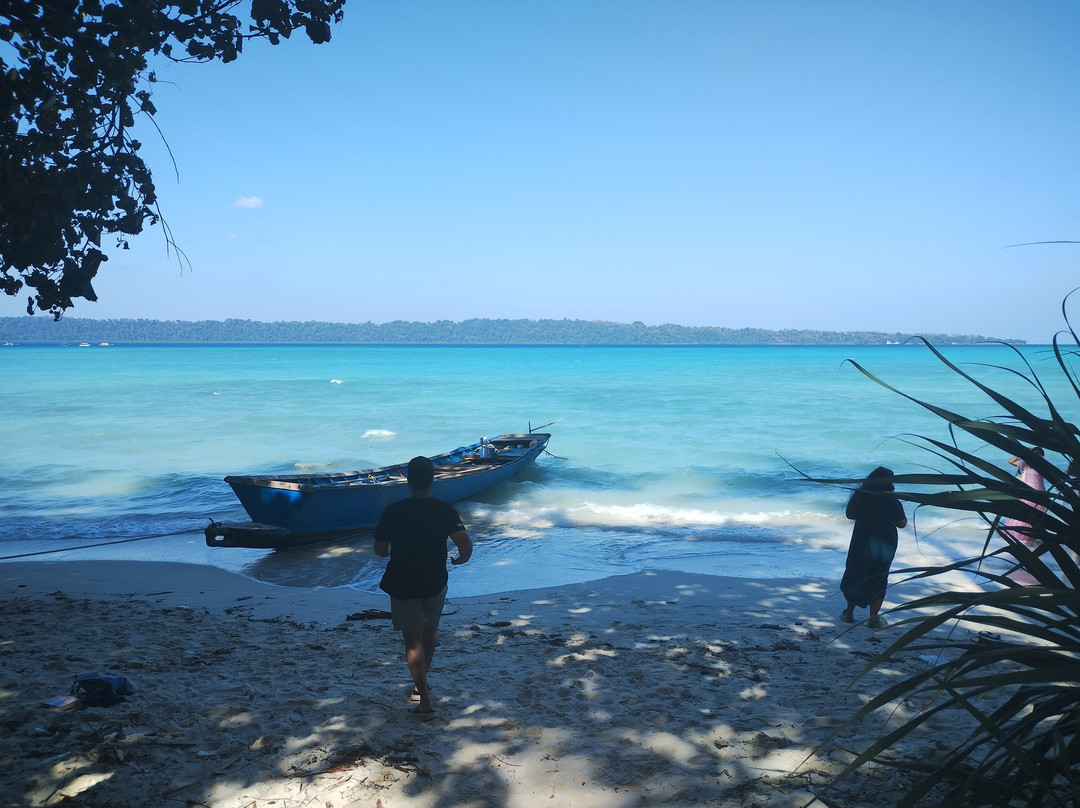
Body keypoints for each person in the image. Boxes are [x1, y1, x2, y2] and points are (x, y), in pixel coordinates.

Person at [374, 456, 473, 716]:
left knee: (412, 641)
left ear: (408, 480)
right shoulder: (444, 509)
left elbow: (380, 549)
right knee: (429, 634)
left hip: (403, 581)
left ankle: (424, 699)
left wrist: (391, 549)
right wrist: (462, 559)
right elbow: (464, 542)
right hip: (435, 580)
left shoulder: (393, 511)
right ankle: (421, 687)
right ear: (432, 479)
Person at [839, 467, 907, 630]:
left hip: (861, 540)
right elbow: (902, 523)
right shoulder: (892, 499)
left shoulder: (860, 495)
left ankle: (849, 614)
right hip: (885, 543)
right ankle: (873, 619)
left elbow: (849, 515)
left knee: (855, 573)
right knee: (879, 577)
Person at [1002, 447, 1046, 545]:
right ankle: (1023, 535)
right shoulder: (1026, 462)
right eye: (1034, 453)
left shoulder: (1043, 465)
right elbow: (1011, 461)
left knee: (1034, 514)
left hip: (1037, 491)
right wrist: (1021, 452)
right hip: (1028, 490)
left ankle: (1031, 536)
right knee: (1026, 512)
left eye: (1037, 453)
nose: (1035, 455)